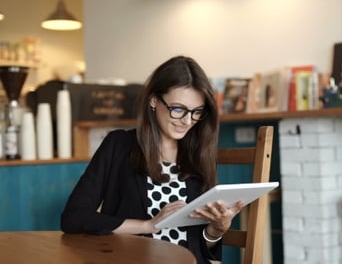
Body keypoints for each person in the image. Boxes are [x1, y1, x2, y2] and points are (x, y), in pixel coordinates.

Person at [60, 56, 244, 264]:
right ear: (154, 100)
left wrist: (216, 230)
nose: (187, 120)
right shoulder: (118, 146)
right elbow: (73, 218)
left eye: (196, 112)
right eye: (178, 109)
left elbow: (202, 246)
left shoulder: (198, 153)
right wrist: (148, 225)